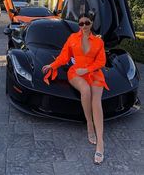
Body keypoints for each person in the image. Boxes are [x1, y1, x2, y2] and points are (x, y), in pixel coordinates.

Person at [42, 11, 109, 165]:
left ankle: (101, 142)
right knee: (85, 90)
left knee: (96, 100)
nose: (84, 26)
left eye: (87, 23)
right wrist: (52, 65)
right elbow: (64, 57)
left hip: (94, 72)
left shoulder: (98, 42)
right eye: (81, 23)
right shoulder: (72, 38)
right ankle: (89, 125)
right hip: (76, 73)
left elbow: (101, 62)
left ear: (92, 24)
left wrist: (87, 70)